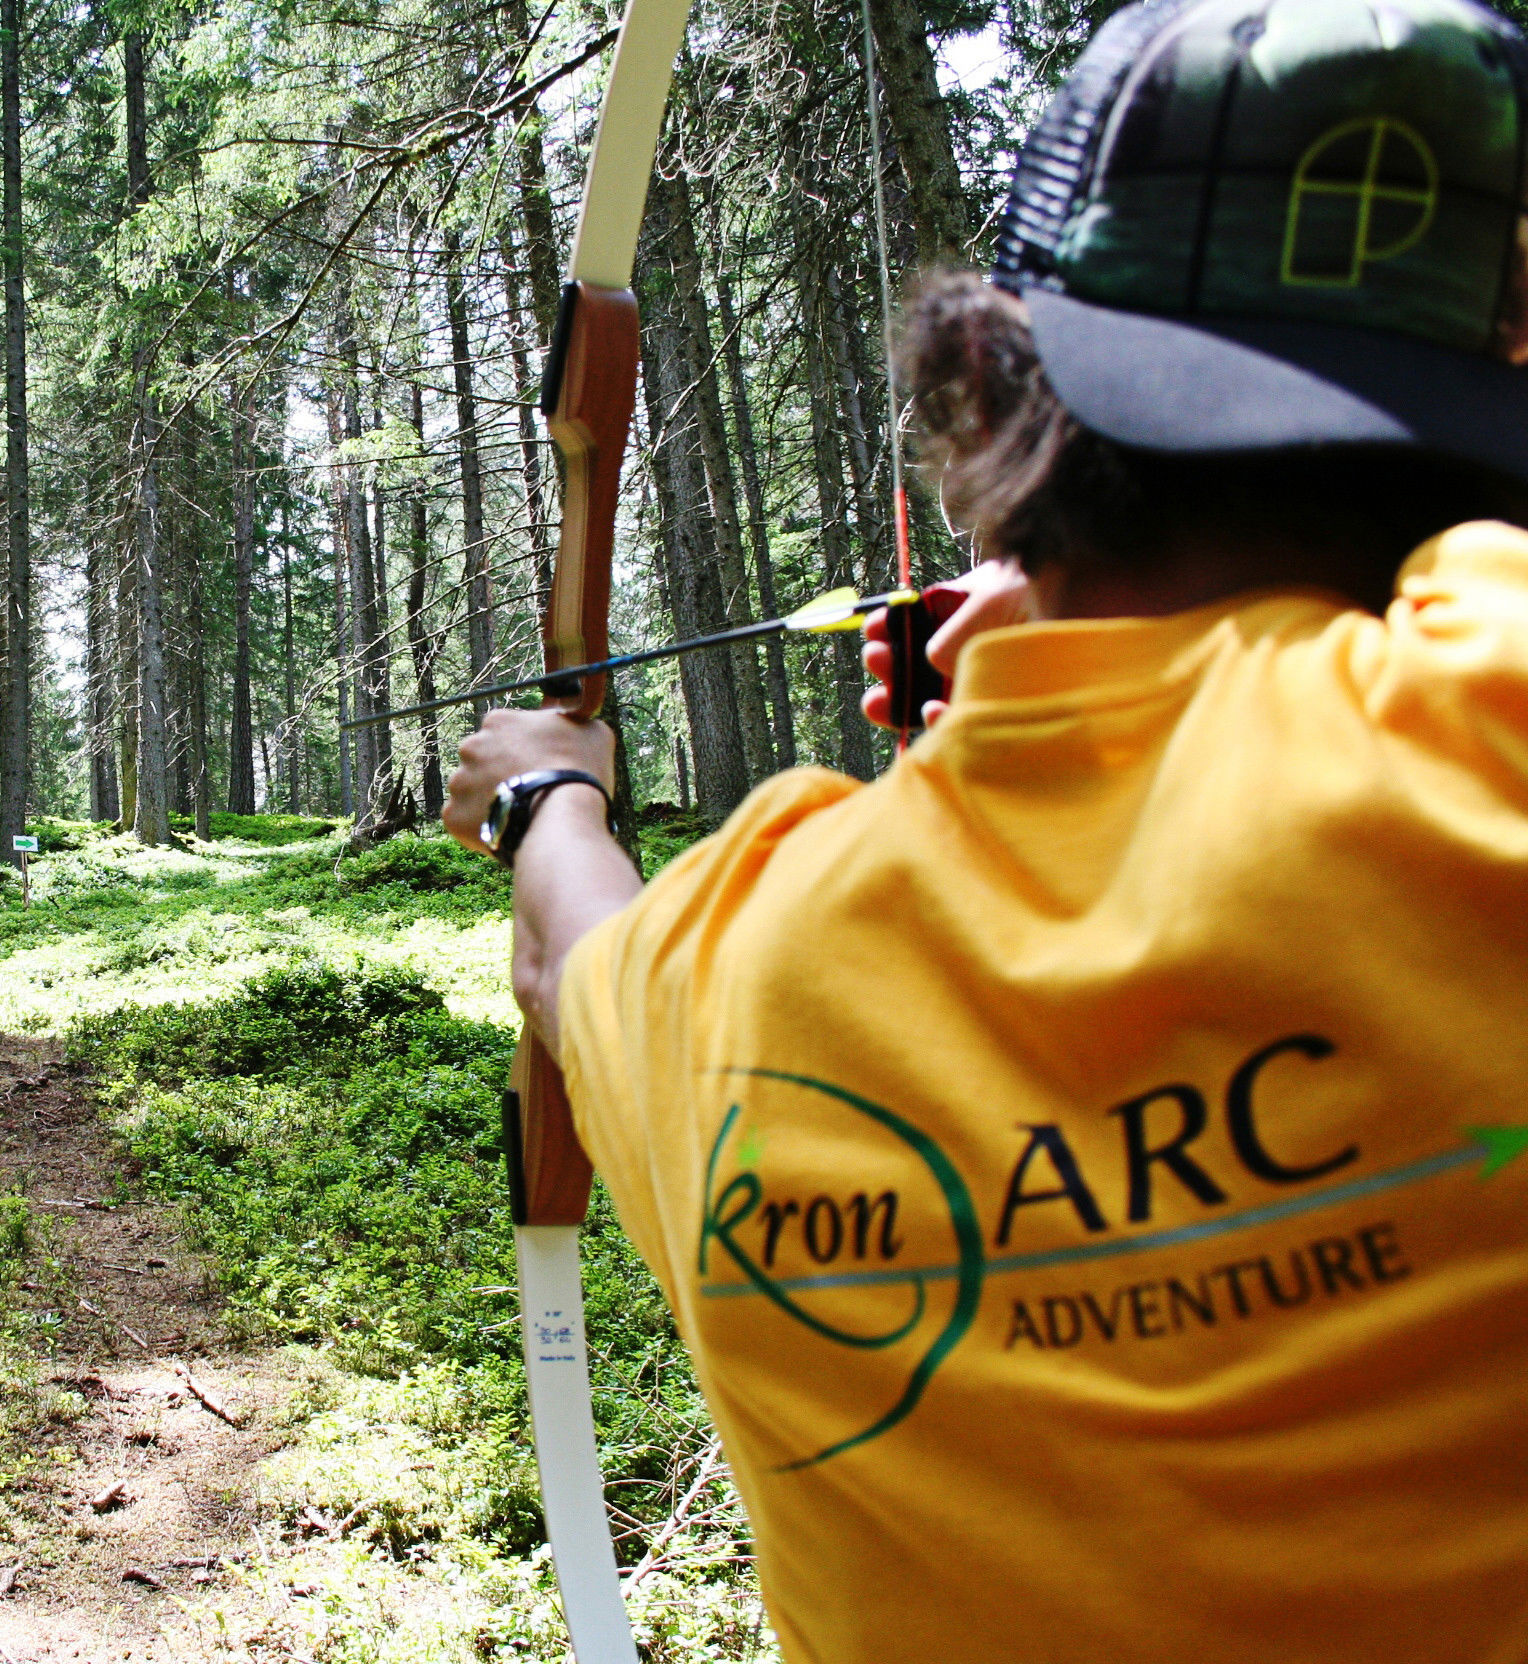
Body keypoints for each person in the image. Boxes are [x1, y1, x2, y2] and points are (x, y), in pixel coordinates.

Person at [442, 0, 1528, 1658]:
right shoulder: (1486, 736)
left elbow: (576, 950)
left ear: (989, 405)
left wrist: (544, 794)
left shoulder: (758, 961)